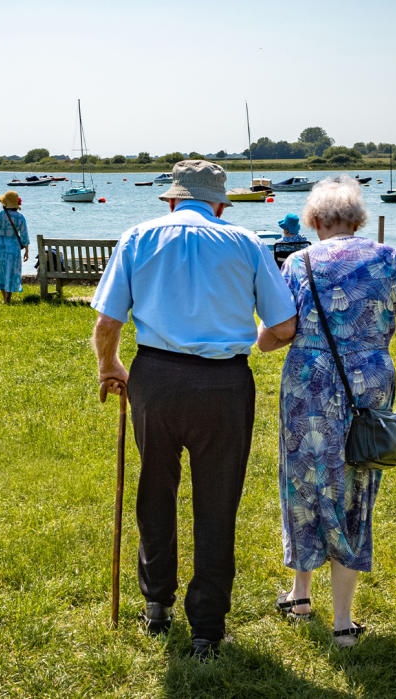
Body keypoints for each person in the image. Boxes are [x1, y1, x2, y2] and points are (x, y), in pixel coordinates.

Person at [91, 160, 297, 661]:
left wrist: (109, 367)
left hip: (156, 379)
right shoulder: (245, 241)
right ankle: (206, 628)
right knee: (217, 501)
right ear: (221, 203)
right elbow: (286, 325)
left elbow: (107, 323)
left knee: (154, 488)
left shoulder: (137, 237)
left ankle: (156, 603)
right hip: (223, 382)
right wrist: (247, 340)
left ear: (171, 199)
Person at [256, 176, 396, 647]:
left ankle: (300, 598)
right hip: (369, 387)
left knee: (305, 482)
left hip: (309, 387)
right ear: (359, 220)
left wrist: (258, 340)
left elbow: (278, 332)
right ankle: (342, 624)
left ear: (317, 221)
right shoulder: (387, 257)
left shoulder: (298, 262)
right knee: (354, 490)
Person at [0, 190, 29, 303]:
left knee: (0, 271)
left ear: (4, 203)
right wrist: (27, 251)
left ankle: (5, 298)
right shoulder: (20, 217)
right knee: (11, 272)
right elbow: (24, 237)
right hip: (13, 247)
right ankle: (8, 298)